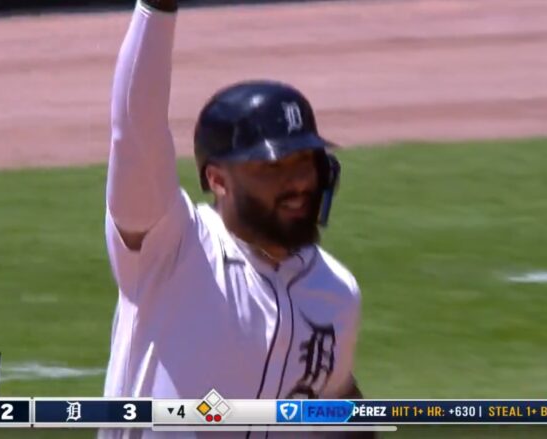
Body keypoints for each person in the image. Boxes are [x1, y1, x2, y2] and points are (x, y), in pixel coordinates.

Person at [102, 0, 364, 433]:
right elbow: (134, 129)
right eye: (272, 167)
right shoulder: (171, 247)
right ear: (218, 180)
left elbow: (338, 407)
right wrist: (156, 11)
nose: (298, 181)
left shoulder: (337, 292)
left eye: (305, 161)